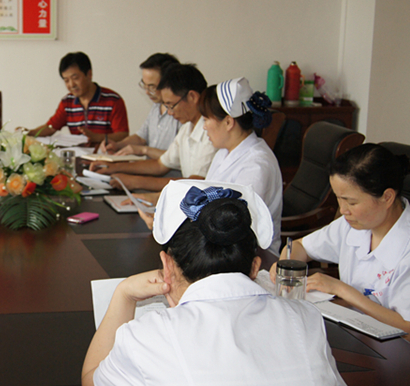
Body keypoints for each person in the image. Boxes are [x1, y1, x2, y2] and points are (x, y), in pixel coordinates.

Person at [82, 180, 354, 386]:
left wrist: (124, 294)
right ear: (255, 267)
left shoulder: (151, 335)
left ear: (167, 265)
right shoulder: (305, 318)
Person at [270, 144, 410, 340]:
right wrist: (285, 265)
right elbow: (300, 247)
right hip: (353, 333)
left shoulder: (407, 247)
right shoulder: (352, 224)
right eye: (339, 199)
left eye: (352, 202)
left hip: (393, 351)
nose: (343, 210)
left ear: (387, 197)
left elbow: (408, 330)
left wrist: (341, 289)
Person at [92, 64, 217, 191]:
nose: (169, 112)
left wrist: (135, 182)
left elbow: (197, 182)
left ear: (192, 97)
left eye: (171, 105)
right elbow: (160, 164)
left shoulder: (211, 131)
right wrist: (114, 167)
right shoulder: (187, 128)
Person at [200, 77, 282, 257]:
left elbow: (235, 224)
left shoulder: (256, 165)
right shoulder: (224, 151)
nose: (204, 127)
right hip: (219, 243)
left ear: (228, 122)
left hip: (249, 254)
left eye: (206, 119)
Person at [27, 52, 129, 143]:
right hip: (77, 155)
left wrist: (97, 137)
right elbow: (50, 128)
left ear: (89, 74)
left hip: (105, 155)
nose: (71, 85)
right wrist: (28, 133)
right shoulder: (67, 102)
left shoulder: (112, 101)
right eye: (66, 80)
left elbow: (122, 135)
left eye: (75, 78)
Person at [99, 53, 181, 157]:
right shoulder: (156, 106)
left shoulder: (181, 112)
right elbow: (141, 137)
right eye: (144, 85)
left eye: (152, 87)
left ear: (169, 83)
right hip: (149, 167)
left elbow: (178, 157)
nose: (147, 92)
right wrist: (118, 145)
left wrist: (143, 150)